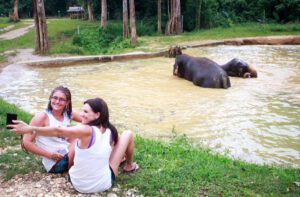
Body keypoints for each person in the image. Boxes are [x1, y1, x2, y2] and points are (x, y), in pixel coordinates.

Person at [9, 97, 139, 193]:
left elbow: (58, 130)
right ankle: (129, 165)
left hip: (77, 182)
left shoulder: (84, 130)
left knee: (77, 142)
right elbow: (58, 130)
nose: (82, 114)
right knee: (127, 134)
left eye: (86, 112)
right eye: (83, 111)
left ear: (97, 114)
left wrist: (29, 128)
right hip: (102, 184)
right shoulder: (110, 130)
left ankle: (124, 163)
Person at [22, 86, 81, 173]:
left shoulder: (69, 114)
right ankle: (73, 170)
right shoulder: (42, 116)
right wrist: (50, 155)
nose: (57, 102)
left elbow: (90, 120)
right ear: (50, 98)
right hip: (55, 163)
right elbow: (26, 142)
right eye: (55, 98)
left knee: (84, 133)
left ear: (67, 102)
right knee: (82, 138)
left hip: (66, 151)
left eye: (61, 99)